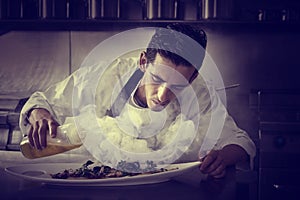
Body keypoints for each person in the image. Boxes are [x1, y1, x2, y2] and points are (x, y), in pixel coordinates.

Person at [19, 23, 256, 178]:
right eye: (157, 78)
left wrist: (223, 157)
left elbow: (239, 141)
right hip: (96, 182)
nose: (162, 95)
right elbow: (42, 101)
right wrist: (39, 113)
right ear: (143, 61)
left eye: (177, 86)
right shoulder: (106, 78)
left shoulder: (200, 92)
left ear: (193, 77)